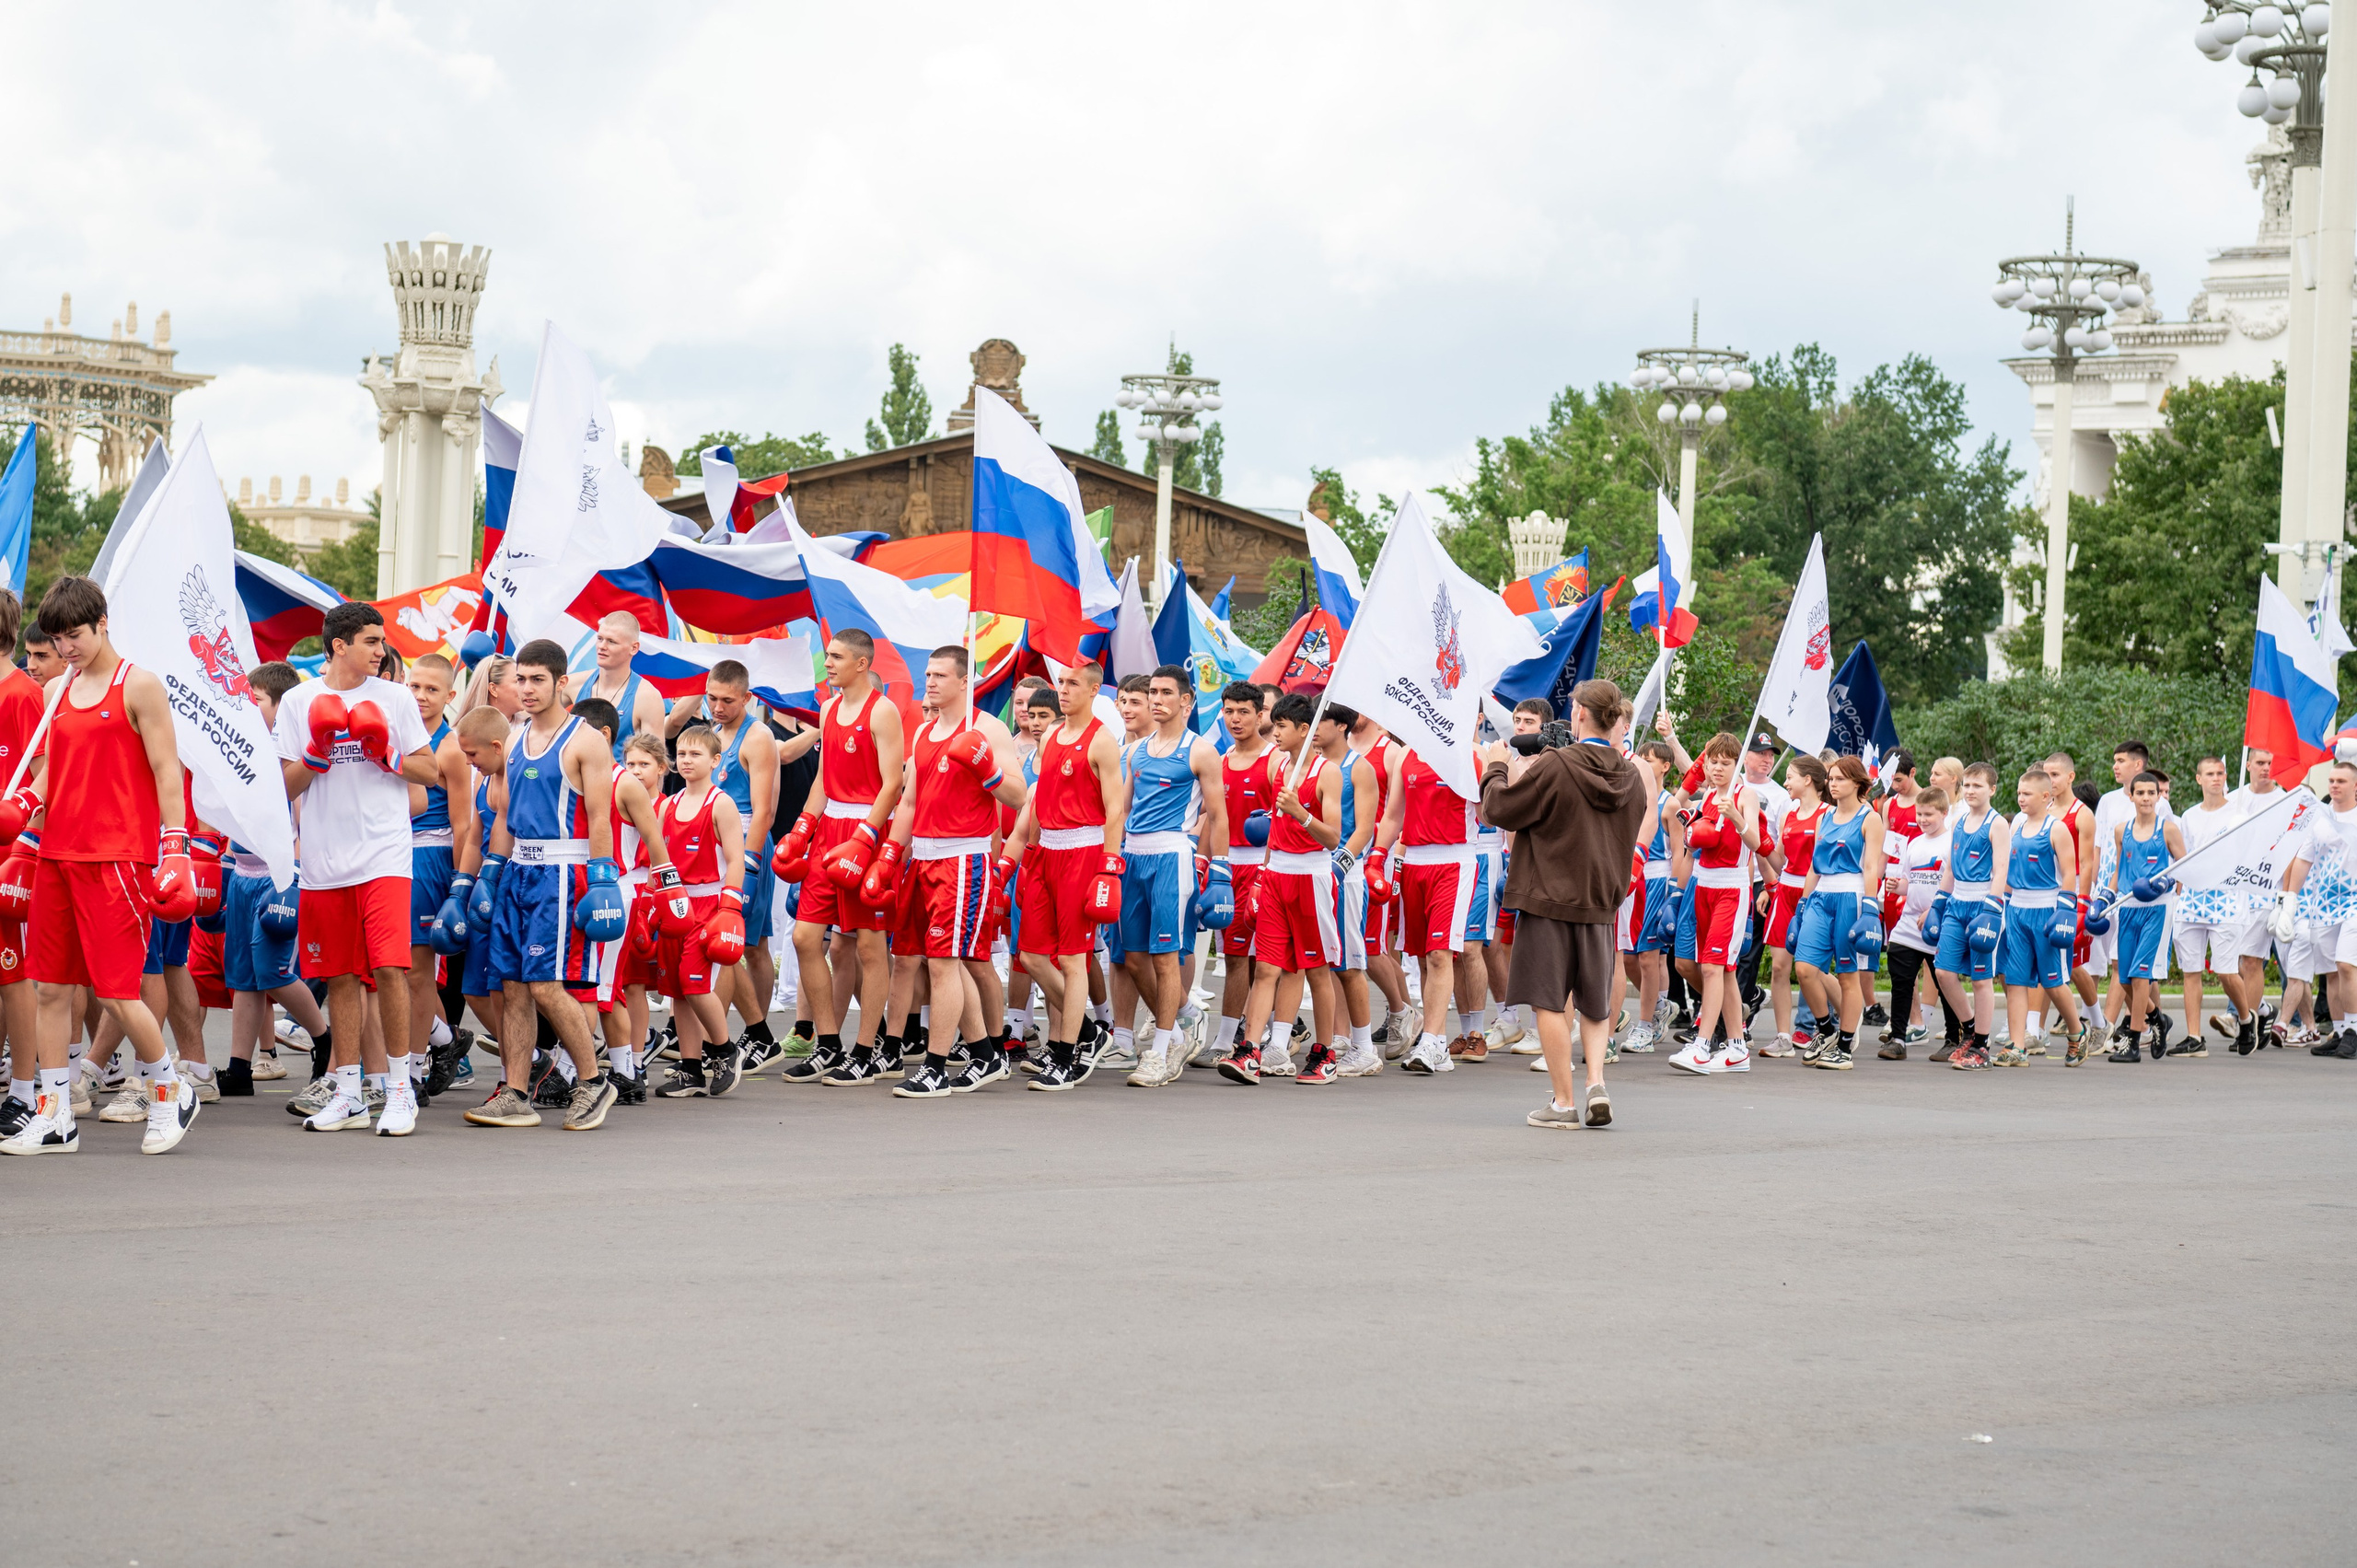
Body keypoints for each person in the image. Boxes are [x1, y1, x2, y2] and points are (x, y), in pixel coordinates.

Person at [0, 575, 201, 1156]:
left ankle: (170, 1090)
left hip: (117, 858)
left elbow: (166, 770)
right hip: (57, 854)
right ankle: (54, 1115)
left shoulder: (138, 685)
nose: (67, 648)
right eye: (58, 639)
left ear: (103, 623)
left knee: (116, 992)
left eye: (76, 635)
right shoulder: (53, 692)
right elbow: (51, 773)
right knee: (50, 989)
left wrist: (176, 847)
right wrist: (25, 803)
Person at [273, 602, 441, 1135]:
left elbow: (430, 770)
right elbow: (283, 786)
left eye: (382, 640)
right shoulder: (299, 701)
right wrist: (315, 755)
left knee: (390, 969)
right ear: (339, 645)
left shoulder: (394, 697)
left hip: (385, 856)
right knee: (340, 976)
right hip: (324, 862)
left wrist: (390, 756)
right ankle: (348, 1093)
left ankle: (399, 1090)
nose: (382, 650)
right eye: (372, 640)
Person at [462, 637, 628, 1131]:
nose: (528, 688)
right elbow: (503, 815)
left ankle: (593, 1081)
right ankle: (515, 1092)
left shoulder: (586, 741)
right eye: (521, 679)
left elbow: (600, 815)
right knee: (512, 987)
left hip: (564, 872)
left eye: (538, 679)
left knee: (546, 986)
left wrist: (602, 877)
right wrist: (489, 873)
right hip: (518, 871)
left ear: (561, 682)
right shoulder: (512, 738)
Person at [1473, 679, 1649, 1128]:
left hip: (1548, 898)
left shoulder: (1557, 764)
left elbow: (1501, 809)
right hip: (1599, 902)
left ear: (1582, 714)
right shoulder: (1631, 775)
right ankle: (1596, 1083)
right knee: (1594, 1003)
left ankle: (1564, 1102)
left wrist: (1496, 768)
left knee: (1549, 1003)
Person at [886, 647, 1030, 1098]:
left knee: (945, 963)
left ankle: (934, 1067)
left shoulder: (988, 728)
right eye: (928, 674)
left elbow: (1019, 795)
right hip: (922, 857)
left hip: (964, 858)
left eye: (940, 675)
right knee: (936, 960)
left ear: (965, 682)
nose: (930, 681)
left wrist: (989, 771)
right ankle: (986, 1056)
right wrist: (890, 853)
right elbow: (910, 802)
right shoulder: (923, 731)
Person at [778, 633, 905, 1085]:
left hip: (866, 831)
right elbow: (824, 780)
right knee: (805, 937)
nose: (827, 663)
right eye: (828, 656)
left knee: (869, 946)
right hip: (829, 830)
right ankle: (829, 1043)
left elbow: (893, 783)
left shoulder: (883, 710)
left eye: (836, 656)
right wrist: (803, 827)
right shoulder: (828, 708)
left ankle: (867, 1051)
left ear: (862, 663)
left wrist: (867, 837)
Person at [1103, 665, 1230, 1088]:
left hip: (1173, 856)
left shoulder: (1201, 751)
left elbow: (1218, 814)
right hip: (1133, 857)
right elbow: (1122, 810)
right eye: (1153, 692)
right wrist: (1109, 859)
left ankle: (1158, 1052)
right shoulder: (1135, 751)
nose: (1156, 700)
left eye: (1165, 693)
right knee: (1132, 957)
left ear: (1185, 700)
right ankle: (1180, 1027)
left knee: (1164, 957)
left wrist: (1220, 870)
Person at [1216, 692, 1343, 1085]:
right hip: (1275, 877)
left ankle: (1324, 1053)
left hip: (1311, 878)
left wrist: (1301, 814)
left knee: (1316, 970)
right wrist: (1262, 874)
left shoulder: (1327, 772)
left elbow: (1333, 838)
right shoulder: (1281, 769)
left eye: (1282, 727)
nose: (1275, 734)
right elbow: (1274, 831)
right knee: (1267, 967)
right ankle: (1249, 1051)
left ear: (1304, 730)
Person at [1010, 659, 1125, 1086]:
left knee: (1074, 959)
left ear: (1094, 690)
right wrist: (1029, 856)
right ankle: (1090, 1033)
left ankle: (1064, 1054)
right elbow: (1040, 802)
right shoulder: (1050, 737)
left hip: (1084, 851)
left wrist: (1108, 868)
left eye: (1073, 683)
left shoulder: (1102, 740)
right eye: (1061, 682)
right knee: (1031, 956)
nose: (1063, 689)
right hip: (1047, 852)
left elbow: (1115, 809)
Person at [1369, 732, 1480, 1076]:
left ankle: (1430, 1040)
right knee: (1420, 955)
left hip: (1454, 859)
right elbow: (1393, 815)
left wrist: (1493, 772)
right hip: (1414, 860)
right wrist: (1377, 856)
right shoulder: (1408, 754)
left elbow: (1491, 817)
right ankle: (1439, 1043)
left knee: (1439, 954)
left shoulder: (1473, 754)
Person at [648, 725, 746, 1098]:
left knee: (694, 982)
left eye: (696, 754)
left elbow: (736, 859)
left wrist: (730, 907)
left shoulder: (720, 803)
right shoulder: (668, 805)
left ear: (715, 760)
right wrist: (650, 901)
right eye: (682, 754)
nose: (687, 761)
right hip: (675, 903)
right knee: (677, 989)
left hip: (708, 904)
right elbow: (659, 860)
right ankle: (690, 1069)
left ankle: (724, 1051)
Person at [1667, 733, 1763, 1075]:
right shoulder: (1707, 794)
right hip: (1703, 886)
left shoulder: (1745, 794)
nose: (1719, 768)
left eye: (1726, 763)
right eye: (1714, 762)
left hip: (1730, 888)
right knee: (1725, 970)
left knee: (1711, 967)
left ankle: (1702, 1044)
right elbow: (1690, 840)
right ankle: (1737, 1048)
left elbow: (1755, 843)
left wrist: (1736, 817)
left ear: (1737, 765)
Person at [403, 652, 476, 1104]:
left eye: (432, 689)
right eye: (415, 686)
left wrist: (458, 885)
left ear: (450, 695)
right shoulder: (397, 732)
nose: (421, 696)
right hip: (389, 854)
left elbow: (463, 824)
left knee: (417, 971)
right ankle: (445, 1040)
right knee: (388, 970)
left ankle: (412, 1070)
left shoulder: (450, 747)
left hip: (430, 859)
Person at [1790, 756, 1887, 1070]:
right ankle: (1826, 1031)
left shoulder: (1870, 818)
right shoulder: (1824, 816)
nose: (1832, 784)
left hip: (1852, 896)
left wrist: (1870, 907)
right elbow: (1814, 866)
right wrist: (1802, 904)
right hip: (1822, 895)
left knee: (1848, 975)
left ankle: (1844, 1047)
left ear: (1857, 783)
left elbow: (1870, 867)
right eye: (1831, 778)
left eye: (1840, 779)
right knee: (1805, 968)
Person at [2169, 756, 2264, 1054]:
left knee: (2226, 972)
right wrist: (2179, 892)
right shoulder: (2189, 817)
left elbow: (2249, 857)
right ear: (2199, 779)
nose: (2216, 778)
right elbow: (2183, 858)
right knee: (2191, 971)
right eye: (2210, 774)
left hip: (2227, 903)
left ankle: (2246, 1019)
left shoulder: (2239, 815)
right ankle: (2194, 1038)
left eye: (2220, 773)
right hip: (2193, 901)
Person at [2266, 761, 2357, 1058]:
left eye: (2341, 781)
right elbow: (2303, 860)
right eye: (2332, 780)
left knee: (2346, 964)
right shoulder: (2320, 819)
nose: (2334, 785)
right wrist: (2289, 901)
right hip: (2325, 907)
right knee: (2331, 972)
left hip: (2354, 904)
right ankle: (2340, 1032)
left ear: (2355, 786)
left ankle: (2354, 1031)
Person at [1996, 767, 2086, 1066]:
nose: (2020, 798)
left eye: (2027, 793)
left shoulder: (2056, 829)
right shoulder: (2016, 826)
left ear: (2046, 796)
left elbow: (2070, 872)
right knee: (2015, 980)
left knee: (2052, 982)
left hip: (2047, 911)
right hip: (2017, 910)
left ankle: (2077, 1033)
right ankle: (2017, 1046)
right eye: (2019, 793)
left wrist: (2066, 911)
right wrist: (2000, 905)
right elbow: (2008, 870)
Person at [1312, 700, 1382, 1076]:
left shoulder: (1360, 767)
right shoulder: (1312, 765)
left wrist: (1343, 860)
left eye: (1320, 720)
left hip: (1345, 875)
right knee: (1324, 961)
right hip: (1312, 870)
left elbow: (1365, 827)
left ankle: (1365, 1048)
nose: (1313, 728)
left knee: (1350, 963)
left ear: (1341, 725)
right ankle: (1340, 1037)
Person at [2103, 771, 2187, 1064]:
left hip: (2157, 908)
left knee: (2140, 975)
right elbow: (2119, 870)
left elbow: (2184, 866)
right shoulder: (2121, 830)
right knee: (2125, 977)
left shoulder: (2168, 829)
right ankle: (2158, 1019)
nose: (2147, 798)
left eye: (2152, 793)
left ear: (2159, 796)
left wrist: (2166, 883)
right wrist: (2105, 896)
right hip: (2128, 907)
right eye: (2141, 793)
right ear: (2132, 796)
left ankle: (2134, 1041)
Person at [1932, 762, 2010, 1070]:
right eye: (1967, 785)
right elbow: (1950, 868)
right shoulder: (1958, 821)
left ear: (1992, 789)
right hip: (1957, 903)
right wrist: (1938, 903)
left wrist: (1992, 908)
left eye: (1978, 785)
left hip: (1983, 904)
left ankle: (1982, 1045)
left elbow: (2001, 869)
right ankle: (1970, 1028)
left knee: (1981, 979)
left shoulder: (1997, 823)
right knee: (1943, 972)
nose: (1970, 790)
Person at [1213, 682, 1275, 1064]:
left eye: (1243, 712)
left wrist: (1268, 870)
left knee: (1267, 959)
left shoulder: (1275, 760)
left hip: (1266, 867)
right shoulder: (1220, 761)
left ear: (1259, 714)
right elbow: (1211, 819)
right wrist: (1207, 864)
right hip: (1228, 865)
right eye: (1229, 712)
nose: (1235, 719)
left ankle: (1271, 1032)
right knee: (1235, 957)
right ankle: (1225, 1038)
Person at [1761, 755, 1829, 1058]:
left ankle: (1840, 1025)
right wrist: (1760, 842)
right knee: (1779, 967)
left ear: (1808, 780)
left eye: (1790, 777)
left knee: (1811, 969)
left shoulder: (1827, 814)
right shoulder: (1788, 814)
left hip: (1813, 894)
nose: (1785, 782)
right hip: (1786, 891)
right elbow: (1780, 861)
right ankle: (1783, 1037)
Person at [1880, 785, 1953, 1061]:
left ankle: (1954, 1039)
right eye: (1919, 814)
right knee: (1901, 980)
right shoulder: (1914, 844)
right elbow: (1910, 882)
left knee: (1945, 984)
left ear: (1944, 813)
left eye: (1928, 814)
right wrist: (1897, 886)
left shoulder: (1951, 843)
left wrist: (1934, 910)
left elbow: (1955, 884)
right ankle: (1898, 1038)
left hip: (1940, 923)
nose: (1922, 820)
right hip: (1910, 923)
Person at [567, 610, 668, 761]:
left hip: (619, 775)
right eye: (600, 638)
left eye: (611, 641)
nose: (602, 646)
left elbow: (656, 764)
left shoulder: (647, 697)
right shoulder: (573, 684)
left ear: (634, 648)